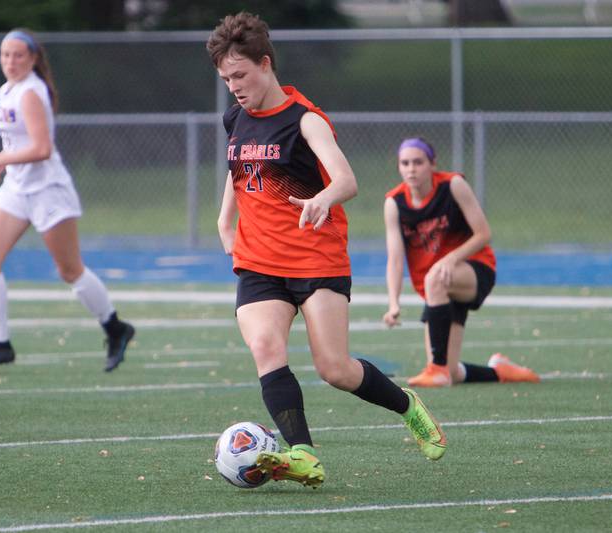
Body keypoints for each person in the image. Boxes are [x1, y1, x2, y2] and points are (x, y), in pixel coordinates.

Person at [206, 12, 446, 489]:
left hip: (316, 258)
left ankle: (409, 408)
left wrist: (322, 198)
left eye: (240, 75)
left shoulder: (305, 120)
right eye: (225, 78)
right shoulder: (235, 116)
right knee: (265, 345)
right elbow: (240, 165)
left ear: (266, 64)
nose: (233, 86)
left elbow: (347, 179)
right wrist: (224, 217)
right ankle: (303, 455)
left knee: (334, 368)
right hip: (258, 260)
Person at [0, 28, 134, 372]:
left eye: (17, 55)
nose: (10, 62)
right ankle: (1, 344)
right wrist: (1, 162)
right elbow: (20, 145)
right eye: (4, 55)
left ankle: (115, 328)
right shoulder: (7, 90)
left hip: (48, 190)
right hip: (17, 188)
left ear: (33, 59)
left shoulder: (31, 91)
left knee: (69, 270)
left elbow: (42, 149)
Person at [382, 137, 540, 387]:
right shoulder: (394, 203)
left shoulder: (452, 185)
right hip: (438, 287)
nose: (411, 168)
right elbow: (395, 259)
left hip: (474, 269)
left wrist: (451, 259)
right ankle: (502, 371)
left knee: (434, 279)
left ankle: (435, 369)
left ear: (432, 164)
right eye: (405, 163)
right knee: (452, 371)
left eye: (418, 162)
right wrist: (393, 303)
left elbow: (483, 233)